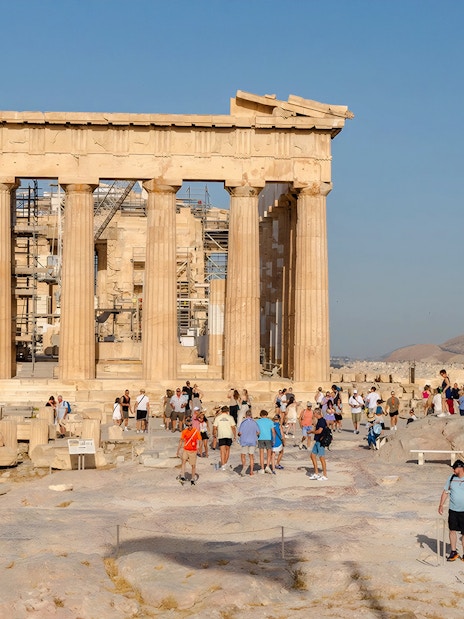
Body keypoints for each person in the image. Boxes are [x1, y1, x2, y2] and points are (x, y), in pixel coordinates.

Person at [438, 459, 464, 561]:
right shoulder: (452, 478)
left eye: (454, 469)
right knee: (452, 530)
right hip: (453, 510)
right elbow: (445, 492)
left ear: (460, 467)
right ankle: (453, 552)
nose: (453, 471)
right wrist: (441, 505)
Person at [176, 416, 200, 485]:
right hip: (186, 449)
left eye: (190, 425)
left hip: (193, 450)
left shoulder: (196, 431)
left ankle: (192, 478)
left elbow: (199, 440)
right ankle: (183, 475)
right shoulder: (184, 432)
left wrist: (199, 448)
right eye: (188, 425)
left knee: (193, 465)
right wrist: (178, 450)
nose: (189, 426)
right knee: (183, 461)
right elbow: (181, 441)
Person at [213, 405, 236, 470]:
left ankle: (223, 465)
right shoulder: (230, 417)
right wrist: (234, 435)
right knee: (227, 450)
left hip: (221, 435)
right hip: (229, 435)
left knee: (222, 451)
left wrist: (214, 434)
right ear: (227, 411)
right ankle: (225, 463)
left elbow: (214, 427)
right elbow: (233, 427)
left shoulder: (218, 418)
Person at [237, 409, 260, 476]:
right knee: (251, 456)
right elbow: (258, 432)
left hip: (245, 441)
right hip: (252, 441)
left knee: (243, 455)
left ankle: (244, 468)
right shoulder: (254, 422)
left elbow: (240, 433)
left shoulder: (243, 423)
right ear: (251, 415)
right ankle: (251, 471)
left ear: (245, 415)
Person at [308, 408, 328, 481]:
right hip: (317, 441)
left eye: (314, 413)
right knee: (312, 455)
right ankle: (316, 473)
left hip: (321, 441)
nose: (313, 415)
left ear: (317, 413)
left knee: (321, 458)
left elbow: (319, 431)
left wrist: (311, 432)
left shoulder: (322, 421)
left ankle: (325, 475)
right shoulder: (319, 421)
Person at [256, 409, 276, 474]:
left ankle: (262, 468)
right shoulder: (270, 421)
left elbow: (256, 431)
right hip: (268, 438)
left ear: (261, 415)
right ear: (266, 415)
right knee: (269, 453)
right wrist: (274, 440)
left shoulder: (258, 421)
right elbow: (273, 432)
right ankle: (267, 466)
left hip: (261, 438)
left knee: (261, 454)